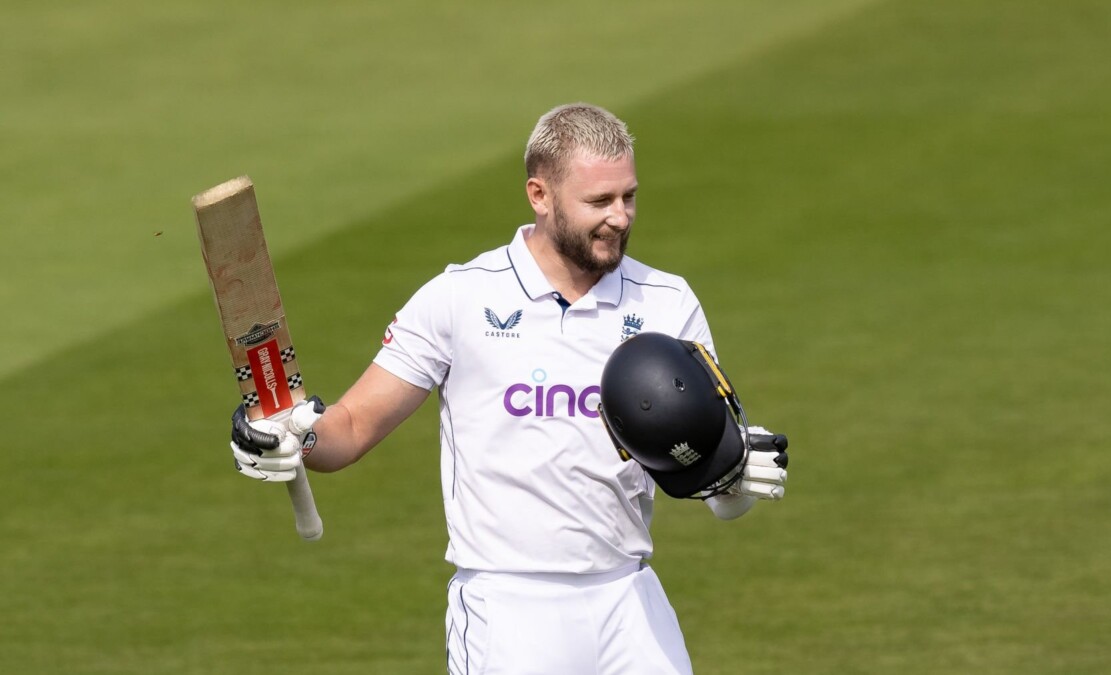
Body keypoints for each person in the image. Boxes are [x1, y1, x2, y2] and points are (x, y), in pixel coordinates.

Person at [228, 103, 789, 675]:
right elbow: (348, 430)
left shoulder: (667, 302)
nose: (620, 217)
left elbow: (716, 490)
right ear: (539, 195)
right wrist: (292, 438)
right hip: (509, 613)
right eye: (598, 201)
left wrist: (737, 469)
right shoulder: (459, 299)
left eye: (628, 196)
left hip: (630, 601)